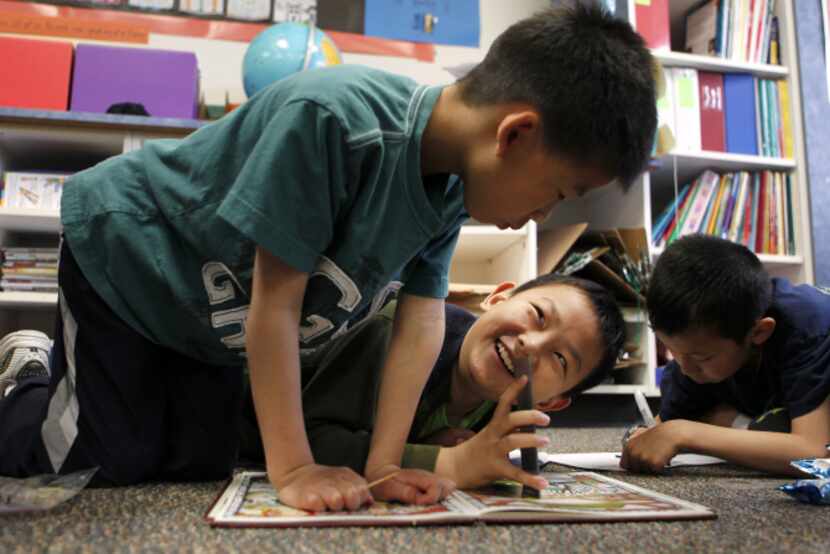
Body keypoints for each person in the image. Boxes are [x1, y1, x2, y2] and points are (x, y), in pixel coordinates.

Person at [0, 3, 657, 511]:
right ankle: (26, 375)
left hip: (208, 323)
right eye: (558, 192)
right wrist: (293, 470)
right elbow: (275, 306)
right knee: (98, 463)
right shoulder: (333, 122)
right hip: (128, 263)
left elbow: (420, 325)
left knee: (199, 464)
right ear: (516, 135)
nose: (543, 214)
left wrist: (385, 464)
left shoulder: (453, 189)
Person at [239, 273, 626, 491]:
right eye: (537, 315)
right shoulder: (398, 332)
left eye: (559, 359)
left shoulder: (503, 405)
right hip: (232, 409)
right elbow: (308, 436)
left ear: (551, 403)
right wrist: (446, 462)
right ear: (497, 297)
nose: (530, 344)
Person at [620, 234, 830, 475]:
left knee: (777, 427)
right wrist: (649, 436)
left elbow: (814, 454)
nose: (685, 367)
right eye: (672, 351)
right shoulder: (694, 350)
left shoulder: (807, 329)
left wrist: (684, 432)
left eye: (701, 358)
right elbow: (662, 427)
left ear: (759, 332)